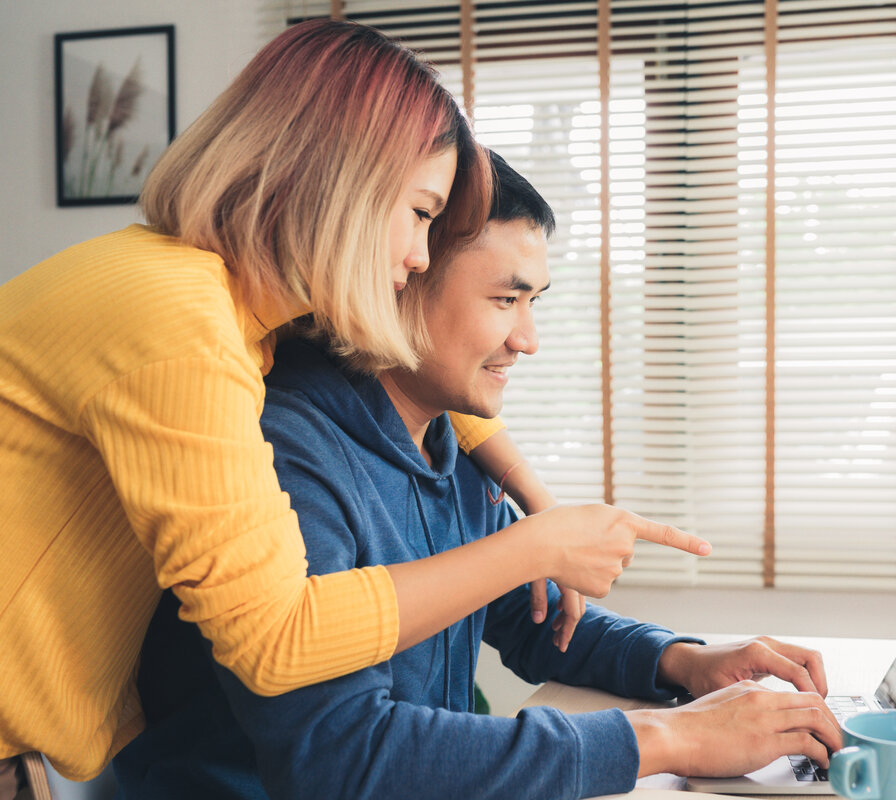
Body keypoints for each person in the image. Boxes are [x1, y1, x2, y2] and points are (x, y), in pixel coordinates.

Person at [0, 20, 708, 784]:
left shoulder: (238, 321)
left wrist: (531, 492)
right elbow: (278, 643)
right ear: (337, 181)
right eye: (419, 213)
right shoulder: (185, 327)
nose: (416, 255)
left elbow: (418, 392)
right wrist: (537, 546)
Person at [111, 152, 843, 799]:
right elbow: (338, 761)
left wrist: (685, 662)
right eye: (504, 299)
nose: (526, 339)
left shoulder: (445, 439)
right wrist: (669, 739)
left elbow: (526, 617)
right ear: (402, 275)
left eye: (532, 303)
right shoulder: (285, 453)